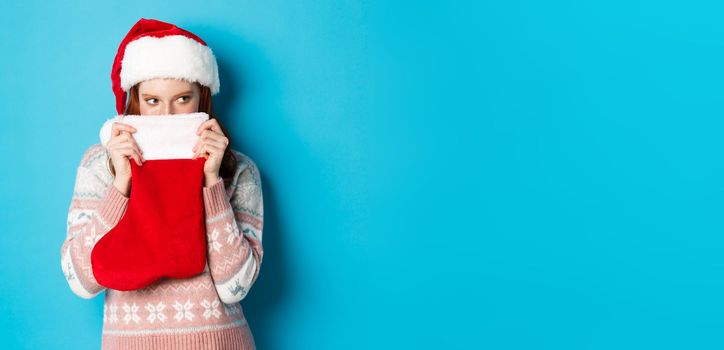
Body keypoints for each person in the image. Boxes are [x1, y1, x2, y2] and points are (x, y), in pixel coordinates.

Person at [59, 18, 263, 349]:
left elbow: (234, 286)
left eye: (183, 98)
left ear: (203, 98)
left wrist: (211, 184)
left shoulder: (237, 169)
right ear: (134, 100)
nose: (168, 114)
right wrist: (121, 186)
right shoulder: (100, 164)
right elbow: (81, 281)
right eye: (153, 100)